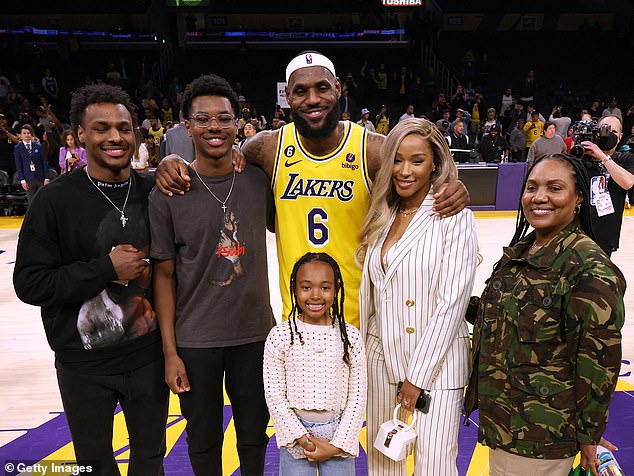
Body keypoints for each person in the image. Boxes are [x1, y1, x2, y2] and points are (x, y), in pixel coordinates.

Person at [155, 50, 469, 328]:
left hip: (361, 316)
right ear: (287, 97)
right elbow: (218, 161)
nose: (313, 99)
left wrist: (452, 186)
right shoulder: (265, 148)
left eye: (321, 88)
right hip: (297, 316)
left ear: (338, 89)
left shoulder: (371, 149)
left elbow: (419, 170)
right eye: (301, 91)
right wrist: (172, 159)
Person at [13, 83, 169, 474]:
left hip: (147, 359)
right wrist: (105, 269)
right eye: (101, 128)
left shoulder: (154, 190)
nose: (115, 137)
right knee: (95, 465)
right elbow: (30, 283)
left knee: (150, 461)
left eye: (124, 127)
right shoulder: (54, 200)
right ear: (80, 135)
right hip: (83, 366)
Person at [464, 153, 625, 476]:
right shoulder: (523, 251)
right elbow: (504, 316)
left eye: (555, 188)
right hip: (505, 426)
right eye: (532, 187)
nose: (539, 197)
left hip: (540, 436)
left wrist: (589, 434)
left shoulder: (587, 267)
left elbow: (599, 362)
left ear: (578, 197)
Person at [149, 74, 274, 476]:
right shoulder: (168, 191)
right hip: (195, 340)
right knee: (202, 440)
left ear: (238, 123)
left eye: (224, 118)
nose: (214, 127)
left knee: (254, 435)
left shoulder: (258, 178)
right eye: (203, 119)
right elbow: (163, 277)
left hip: (256, 335)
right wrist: (170, 352)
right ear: (186, 126)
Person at [357, 118, 478, 475]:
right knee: (383, 465)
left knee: (434, 466)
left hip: (436, 367)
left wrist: (417, 378)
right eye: (397, 159)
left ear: (435, 164)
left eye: (417, 160)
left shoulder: (455, 217)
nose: (404, 170)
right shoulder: (381, 213)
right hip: (382, 361)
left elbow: (452, 305)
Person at [264, 252, 366, 476]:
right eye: (306, 287)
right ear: (295, 288)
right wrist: (303, 440)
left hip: (338, 435)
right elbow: (274, 395)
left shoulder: (350, 337)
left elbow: (357, 397)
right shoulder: (280, 336)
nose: (316, 296)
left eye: (325, 287)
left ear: (336, 288)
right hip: (296, 438)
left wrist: (336, 444)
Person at [579, 114, 634, 256]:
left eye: (613, 132)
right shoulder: (581, 158)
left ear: (620, 136)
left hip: (606, 237)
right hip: (577, 235)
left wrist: (602, 157)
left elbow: (628, 183)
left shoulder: (625, 158)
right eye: (604, 129)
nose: (608, 134)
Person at [14, 124, 50, 201]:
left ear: (31, 134)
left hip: (40, 178)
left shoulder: (38, 146)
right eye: (24, 133)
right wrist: (22, 180)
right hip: (28, 179)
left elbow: (44, 162)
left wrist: (46, 177)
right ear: (20, 135)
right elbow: (19, 166)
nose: (26, 135)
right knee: (32, 202)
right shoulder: (18, 148)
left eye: (28, 133)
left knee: (42, 200)